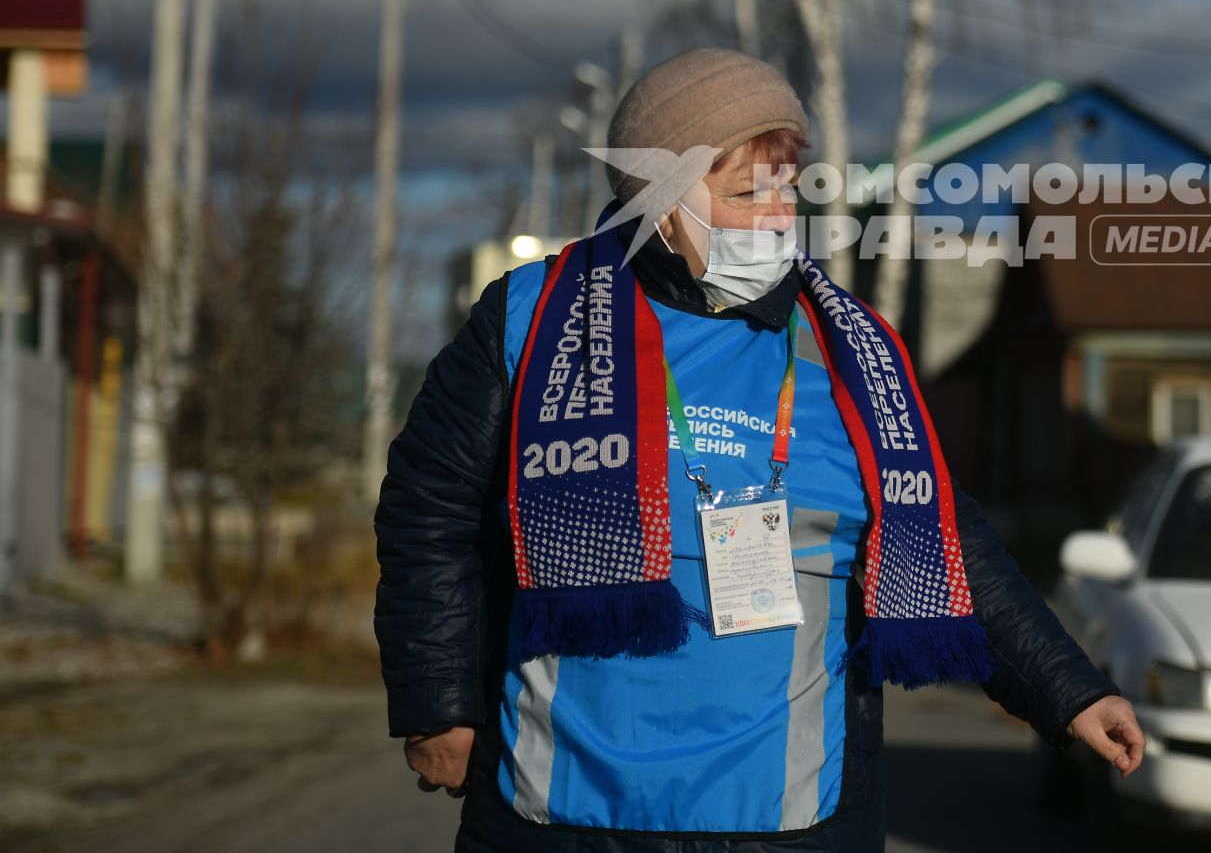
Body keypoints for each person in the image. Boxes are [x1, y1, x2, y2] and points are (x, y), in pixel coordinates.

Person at [375, 48, 1143, 852]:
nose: (780, 213)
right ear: (661, 199)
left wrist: (1070, 693)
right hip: (564, 813)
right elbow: (430, 512)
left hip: (792, 821)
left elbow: (949, 541)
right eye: (749, 191)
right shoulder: (529, 320)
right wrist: (438, 701)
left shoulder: (853, 350)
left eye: (789, 187)